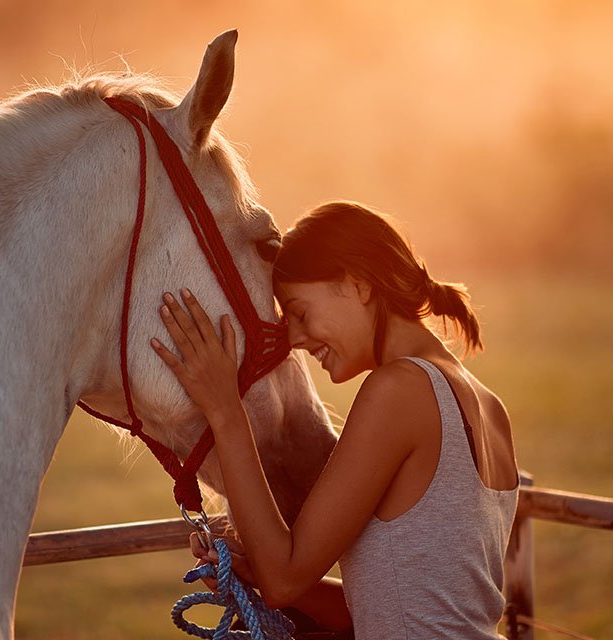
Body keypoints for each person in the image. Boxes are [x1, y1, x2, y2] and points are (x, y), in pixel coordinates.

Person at [149, 201, 520, 638]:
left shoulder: (399, 390)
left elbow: (284, 577)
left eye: (300, 314)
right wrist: (251, 573)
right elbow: (386, 613)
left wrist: (225, 409)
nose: (296, 340)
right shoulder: (489, 405)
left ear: (358, 284)